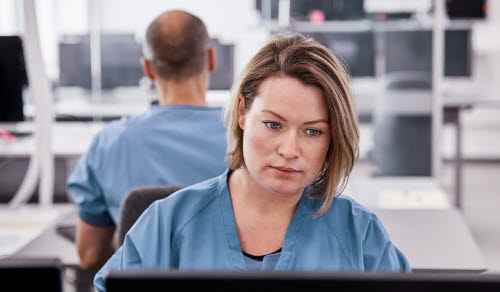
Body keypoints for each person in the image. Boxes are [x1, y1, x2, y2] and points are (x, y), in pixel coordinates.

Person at [93, 33, 410, 292]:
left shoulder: (360, 235)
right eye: (273, 125)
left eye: (313, 131)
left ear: (332, 140)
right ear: (243, 111)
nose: (289, 150)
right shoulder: (168, 224)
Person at [67, 10, 227, 270]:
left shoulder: (109, 143)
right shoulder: (249, 139)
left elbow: (89, 255)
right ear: (211, 59)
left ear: (148, 68)